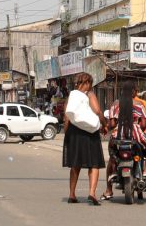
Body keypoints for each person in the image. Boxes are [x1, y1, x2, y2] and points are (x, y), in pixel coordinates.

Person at [101, 82, 146, 202]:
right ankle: (145, 171)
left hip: (119, 134)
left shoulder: (115, 104)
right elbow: (143, 125)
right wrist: (139, 130)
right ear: (133, 92)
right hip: (135, 133)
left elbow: (112, 124)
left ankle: (109, 189)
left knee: (112, 156)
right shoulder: (139, 104)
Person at [63, 72, 108, 206]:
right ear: (88, 83)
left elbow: (67, 117)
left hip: (74, 133)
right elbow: (98, 111)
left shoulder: (72, 96)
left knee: (75, 165)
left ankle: (72, 194)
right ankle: (92, 193)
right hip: (89, 133)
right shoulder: (89, 94)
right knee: (94, 163)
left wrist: (67, 134)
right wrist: (104, 125)